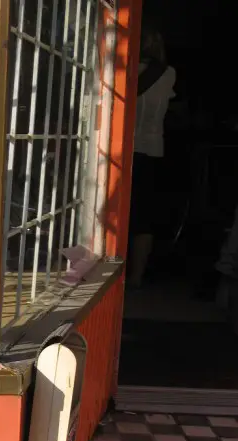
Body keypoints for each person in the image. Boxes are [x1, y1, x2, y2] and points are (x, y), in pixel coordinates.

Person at [128, 24, 176, 288]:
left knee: (118, 213)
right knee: (144, 217)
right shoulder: (169, 74)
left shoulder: (126, 72)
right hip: (153, 149)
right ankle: (137, 276)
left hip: (125, 149)